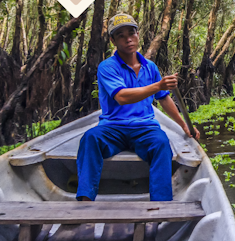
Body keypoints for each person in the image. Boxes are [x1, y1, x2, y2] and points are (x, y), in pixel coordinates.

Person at [76, 13, 200, 202]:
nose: (128, 39)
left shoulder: (150, 67)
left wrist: (183, 125)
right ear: (113, 40)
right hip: (113, 128)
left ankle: (160, 206)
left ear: (138, 35)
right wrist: (158, 85)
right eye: (121, 35)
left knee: (161, 143)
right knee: (90, 138)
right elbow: (122, 97)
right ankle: (85, 202)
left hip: (144, 128)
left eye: (131, 33)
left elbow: (163, 98)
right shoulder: (107, 67)